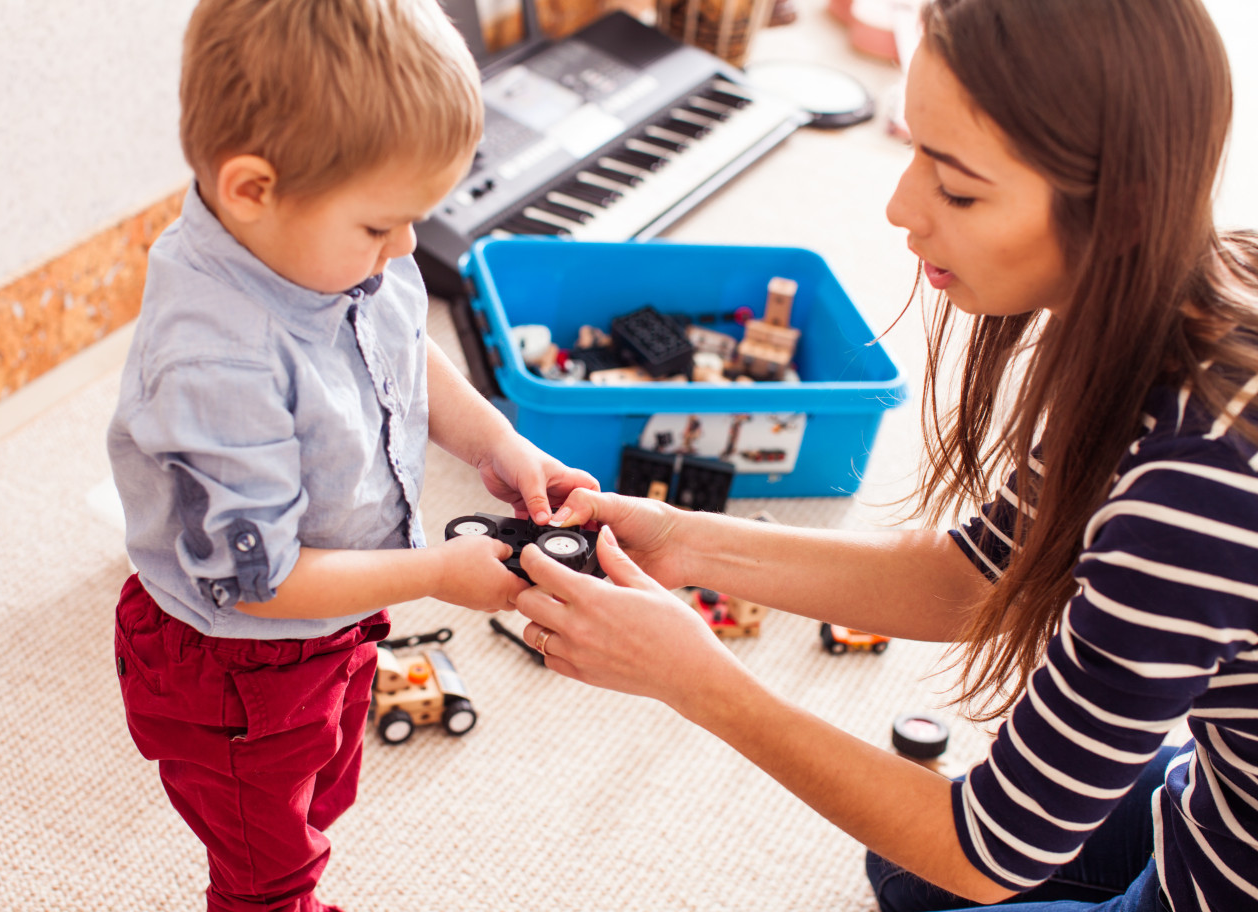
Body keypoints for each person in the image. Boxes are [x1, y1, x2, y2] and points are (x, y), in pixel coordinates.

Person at [511, 1, 1258, 910]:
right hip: (1217, 793)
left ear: (1124, 209)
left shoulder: (1189, 490)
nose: (901, 208)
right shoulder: (1201, 290)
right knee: (902, 868)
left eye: (959, 190)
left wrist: (696, 680)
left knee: (937, 859)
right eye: (915, 151)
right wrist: (685, 541)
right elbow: (978, 577)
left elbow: (989, 852)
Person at [105, 1, 596, 908]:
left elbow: (404, 346)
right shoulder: (216, 360)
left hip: (334, 621)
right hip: (237, 663)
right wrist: (434, 574)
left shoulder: (338, 247)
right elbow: (264, 583)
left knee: (323, 785)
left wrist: (496, 438)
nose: (405, 249)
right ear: (252, 188)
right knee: (268, 859)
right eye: (382, 227)